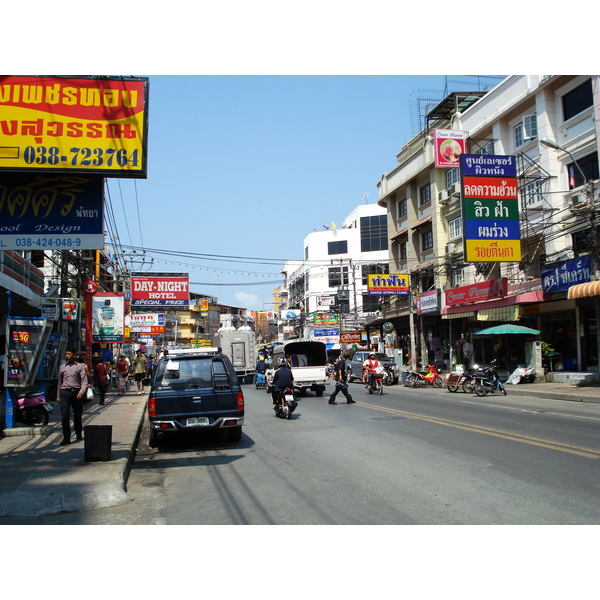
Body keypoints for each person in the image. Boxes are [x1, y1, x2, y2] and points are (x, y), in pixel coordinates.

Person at [56, 347, 89, 445]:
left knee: (77, 414)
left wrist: (81, 392)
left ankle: (78, 432)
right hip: (65, 392)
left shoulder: (79, 367)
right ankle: (66, 437)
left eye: (69, 354)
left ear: (74, 355)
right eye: (66, 354)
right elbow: (59, 382)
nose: (67, 356)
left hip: (76, 393)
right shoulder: (62, 367)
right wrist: (58, 396)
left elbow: (84, 381)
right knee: (65, 415)